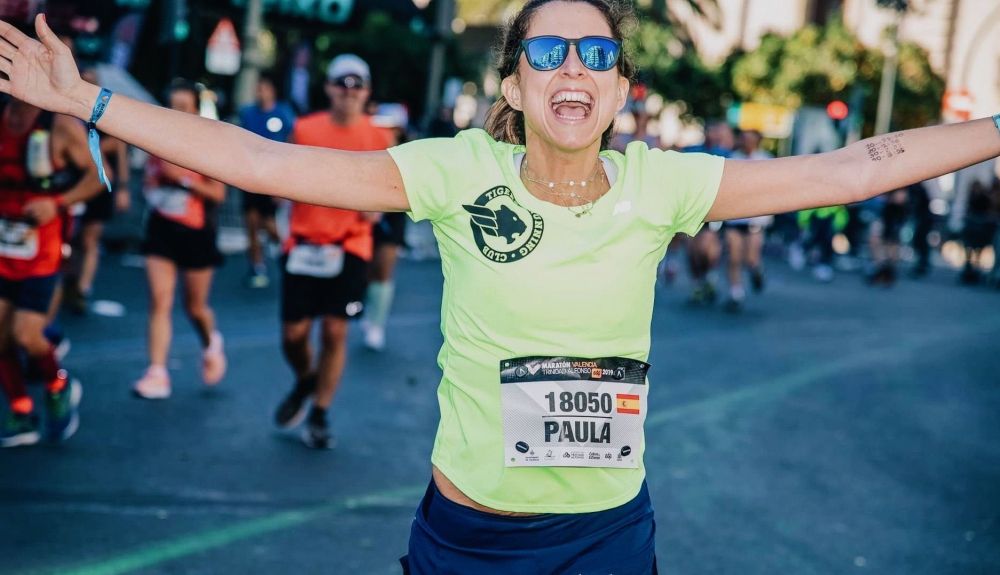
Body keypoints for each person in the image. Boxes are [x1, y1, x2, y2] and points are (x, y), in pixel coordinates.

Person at [5, 1, 998, 569]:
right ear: (516, 83)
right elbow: (260, 163)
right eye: (549, 52)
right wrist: (89, 99)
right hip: (464, 535)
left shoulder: (664, 182)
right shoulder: (454, 170)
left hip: (607, 532)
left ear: (616, 90)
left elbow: (854, 167)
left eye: (597, 54)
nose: (575, 67)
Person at [271, 55, 393, 448]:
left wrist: (379, 205)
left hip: (350, 244)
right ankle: (308, 379)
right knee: (293, 335)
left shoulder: (379, 138)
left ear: (368, 91)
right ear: (328, 88)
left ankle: (320, 412)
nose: (349, 91)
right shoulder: (305, 130)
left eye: (357, 84)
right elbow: (282, 178)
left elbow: (390, 190)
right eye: (342, 83)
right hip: (304, 244)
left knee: (335, 330)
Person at [0, 92, 101, 446]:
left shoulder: (57, 125)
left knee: (26, 335)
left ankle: (59, 385)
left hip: (42, 251)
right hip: (4, 248)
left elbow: (95, 178)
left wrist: (57, 203)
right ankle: (21, 410)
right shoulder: (3, 117)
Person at [131, 79, 227, 399]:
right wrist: (154, 184)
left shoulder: (209, 143)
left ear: (197, 110)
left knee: (195, 307)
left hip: (197, 231)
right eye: (172, 106)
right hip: (161, 227)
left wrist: (183, 182)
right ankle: (157, 372)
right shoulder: (157, 141)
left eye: (184, 107)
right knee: (160, 300)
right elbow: (149, 181)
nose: (177, 113)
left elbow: (218, 193)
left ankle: (211, 342)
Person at [236, 74, 294, 288]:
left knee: (268, 224)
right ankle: (256, 266)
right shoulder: (247, 113)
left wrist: (284, 185)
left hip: (273, 179)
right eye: (257, 88)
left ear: (272, 91)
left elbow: (291, 146)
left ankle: (287, 253)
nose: (260, 92)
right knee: (251, 223)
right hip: (250, 177)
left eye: (264, 88)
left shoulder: (283, 114)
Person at [682, 119, 733, 304]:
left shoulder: (725, 154)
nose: (713, 134)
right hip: (691, 208)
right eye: (710, 130)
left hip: (713, 208)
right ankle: (697, 283)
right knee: (693, 251)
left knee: (708, 249)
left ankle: (710, 277)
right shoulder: (691, 151)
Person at [722, 129, 772, 311]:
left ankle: (756, 270)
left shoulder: (765, 159)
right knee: (733, 256)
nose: (746, 143)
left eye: (750, 139)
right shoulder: (733, 158)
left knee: (751, 258)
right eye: (744, 139)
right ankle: (736, 293)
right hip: (734, 218)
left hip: (755, 219)